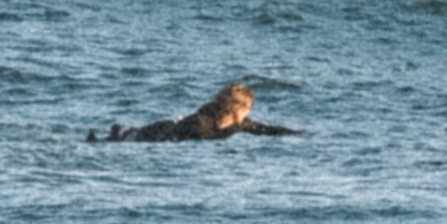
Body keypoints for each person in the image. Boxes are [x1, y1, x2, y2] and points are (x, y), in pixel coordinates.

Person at [94, 80, 297, 143]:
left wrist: (295, 134)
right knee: (128, 136)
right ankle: (122, 132)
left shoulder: (240, 123)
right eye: (248, 108)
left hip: (170, 133)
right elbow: (172, 137)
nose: (250, 112)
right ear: (237, 108)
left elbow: (265, 129)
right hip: (158, 132)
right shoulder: (202, 120)